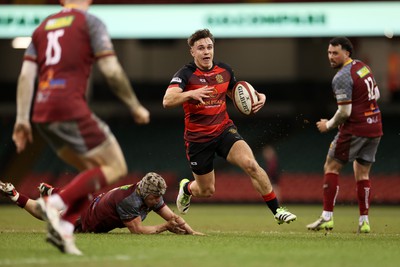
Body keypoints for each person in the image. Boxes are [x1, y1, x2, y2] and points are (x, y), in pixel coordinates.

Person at [12, 0, 150, 255]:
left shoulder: (42, 27)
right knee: (116, 166)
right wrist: (134, 105)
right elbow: (110, 70)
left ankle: (63, 230)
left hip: (41, 113)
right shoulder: (90, 23)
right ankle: (53, 203)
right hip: (69, 108)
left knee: (93, 174)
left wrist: (22, 119)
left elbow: (26, 76)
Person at [162, 29, 296, 225]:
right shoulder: (185, 74)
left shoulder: (224, 71)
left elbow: (239, 93)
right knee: (207, 191)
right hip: (198, 139)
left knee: (251, 164)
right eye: (201, 48)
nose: (206, 52)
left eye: (209, 47)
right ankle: (187, 189)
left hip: (224, 131)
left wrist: (260, 96)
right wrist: (190, 94)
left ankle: (277, 210)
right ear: (192, 52)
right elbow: (167, 100)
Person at [306, 37, 383, 234]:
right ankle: (364, 221)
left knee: (331, 166)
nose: (331, 57)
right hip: (375, 127)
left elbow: (345, 113)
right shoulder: (363, 67)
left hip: (355, 128)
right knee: (362, 173)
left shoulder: (341, 77)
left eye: (335, 53)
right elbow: (377, 95)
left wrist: (328, 125)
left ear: (347, 53)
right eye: (329, 53)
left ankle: (327, 217)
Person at [0, 173, 202, 236]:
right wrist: (165, 227)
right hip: (82, 219)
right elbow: (138, 230)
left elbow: (171, 217)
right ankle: (15, 194)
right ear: (146, 193)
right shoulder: (130, 201)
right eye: (155, 197)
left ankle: (52, 191)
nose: (158, 200)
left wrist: (192, 233)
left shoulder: (150, 195)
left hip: (92, 201)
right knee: (42, 212)